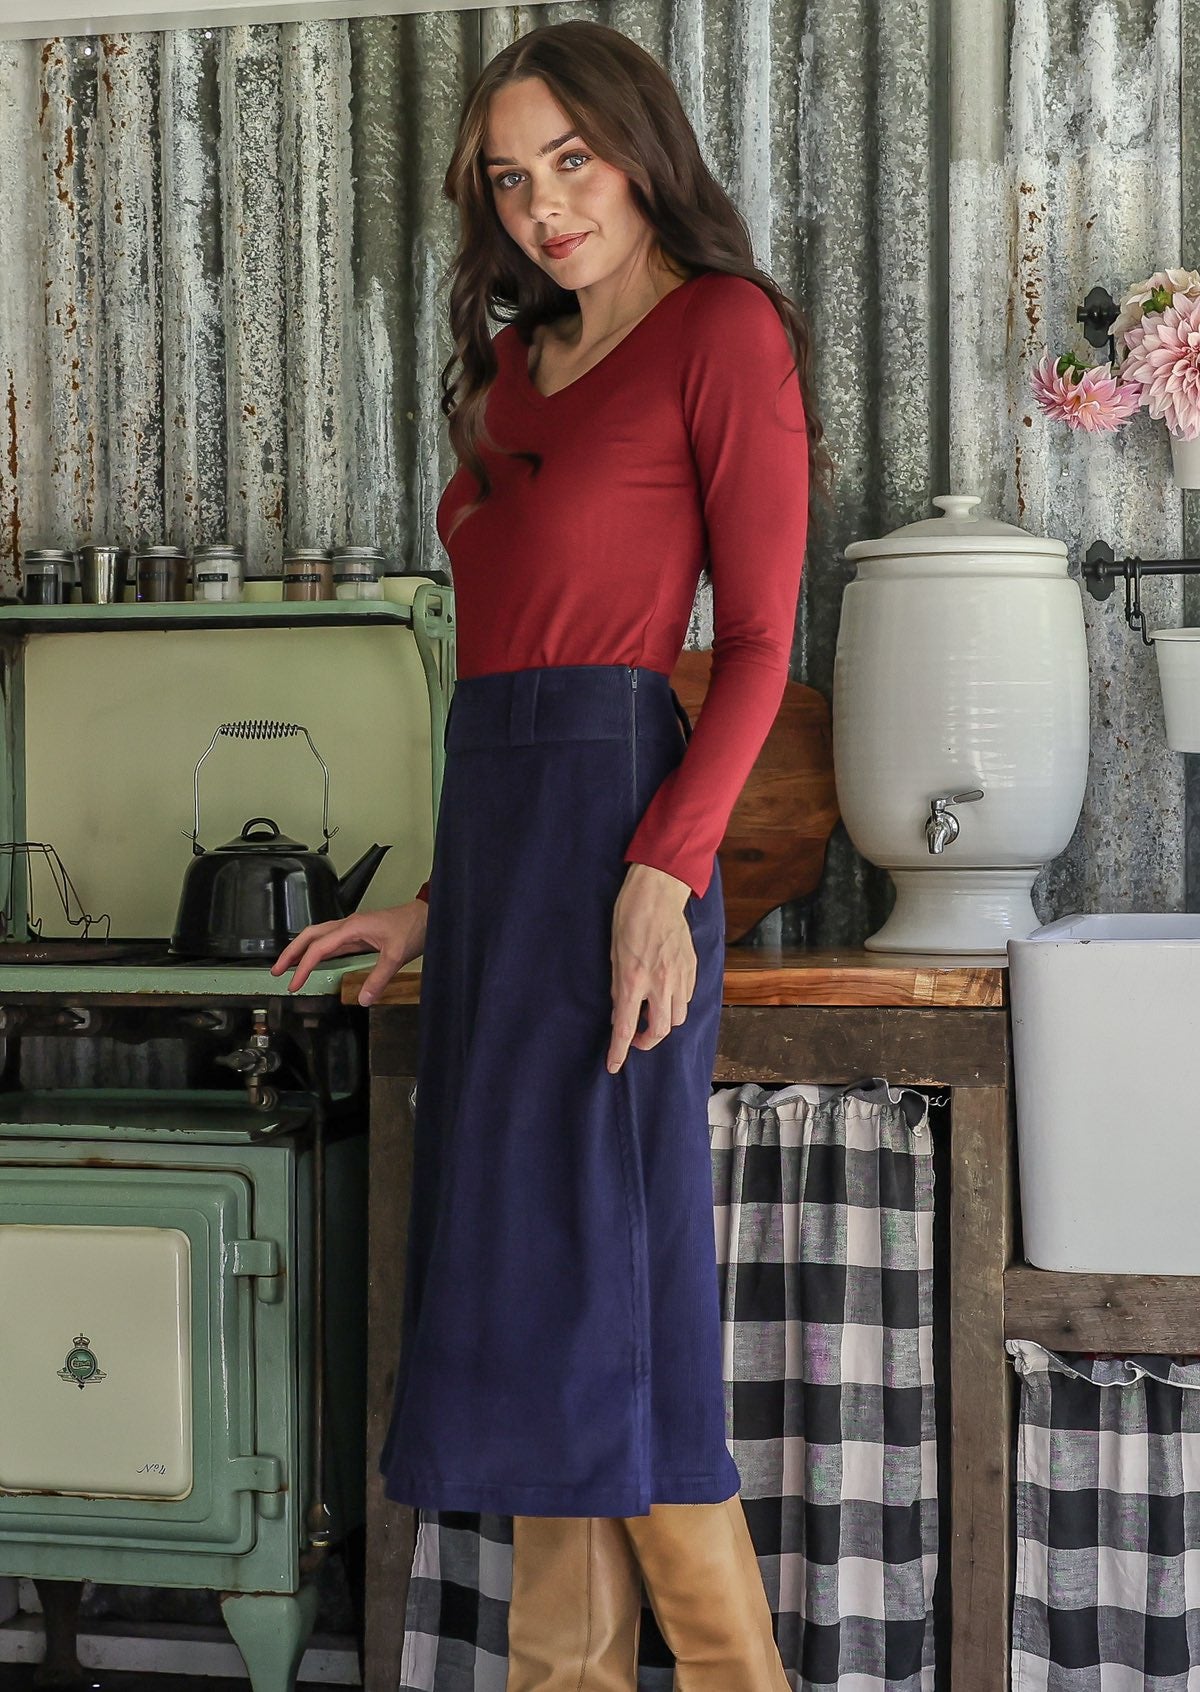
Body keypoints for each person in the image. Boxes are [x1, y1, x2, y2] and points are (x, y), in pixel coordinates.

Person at [273, 18, 830, 1690]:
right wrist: (434, 904)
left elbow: (759, 651)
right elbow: (502, 674)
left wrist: (662, 876)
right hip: (507, 865)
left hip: (621, 851)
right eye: (512, 182)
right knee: (534, 1330)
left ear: (640, 148)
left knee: (621, 1318)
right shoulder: (511, 372)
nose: (543, 208)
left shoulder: (721, 335)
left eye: (570, 163)